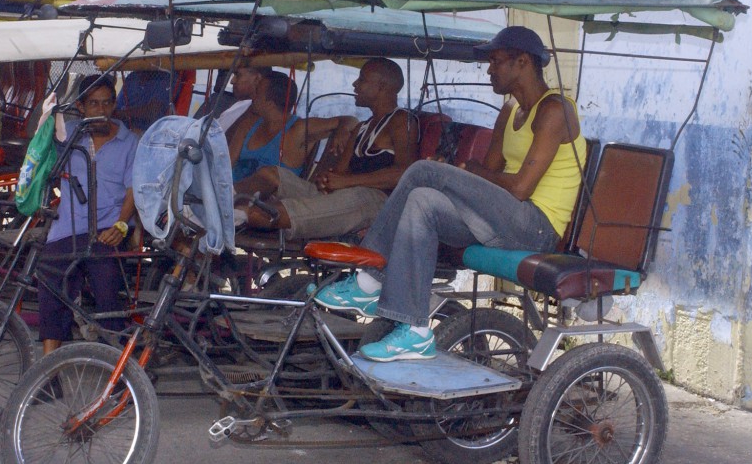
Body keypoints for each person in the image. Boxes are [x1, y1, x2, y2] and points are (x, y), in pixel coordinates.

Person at [315, 27, 586, 362]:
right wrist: (459, 173)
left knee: (421, 171)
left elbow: (519, 187)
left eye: (496, 61)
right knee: (422, 201)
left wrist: (463, 172)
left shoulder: (555, 110)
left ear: (522, 62)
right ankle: (414, 331)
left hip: (536, 227)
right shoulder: (508, 113)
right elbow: (485, 180)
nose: (489, 69)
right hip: (504, 220)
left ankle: (369, 280)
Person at [240, 58, 419, 240]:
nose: (355, 84)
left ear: (382, 86)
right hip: (346, 196)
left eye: (362, 79)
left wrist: (345, 182)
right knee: (272, 174)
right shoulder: (361, 128)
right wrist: (328, 179)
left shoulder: (401, 121)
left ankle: (244, 215)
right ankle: (228, 200)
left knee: (273, 212)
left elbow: (405, 174)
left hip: (375, 202)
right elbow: (340, 174)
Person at [38, 74, 139, 357]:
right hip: (68, 227)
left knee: (106, 281)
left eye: (107, 103)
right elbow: (40, 157)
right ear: (81, 107)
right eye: (93, 104)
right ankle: (48, 368)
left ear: (114, 105)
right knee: (50, 279)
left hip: (110, 225)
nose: (101, 110)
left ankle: (118, 369)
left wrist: (122, 224)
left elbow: (134, 189)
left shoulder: (128, 141)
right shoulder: (69, 135)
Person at [230, 71, 358, 187]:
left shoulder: (297, 129)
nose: (253, 97)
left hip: (266, 204)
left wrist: (343, 131)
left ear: (270, 103)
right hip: (230, 195)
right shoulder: (248, 125)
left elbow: (351, 121)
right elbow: (226, 165)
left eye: (257, 92)